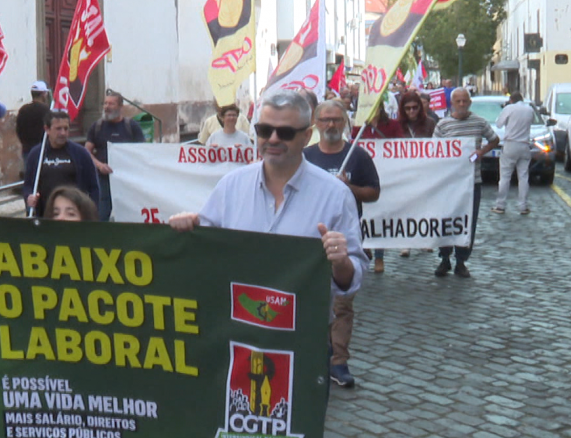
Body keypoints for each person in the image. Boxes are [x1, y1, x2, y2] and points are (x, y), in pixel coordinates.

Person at [167, 90, 366, 389]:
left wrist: (340, 262)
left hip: (303, 339)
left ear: (307, 135)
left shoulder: (335, 195)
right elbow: (203, 249)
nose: (272, 139)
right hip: (234, 335)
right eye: (264, 130)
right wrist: (188, 227)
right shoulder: (231, 187)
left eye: (284, 132)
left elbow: (351, 279)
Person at [304, 99, 381, 272]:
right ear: (316, 123)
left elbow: (374, 193)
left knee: (342, 290)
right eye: (325, 120)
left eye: (337, 120)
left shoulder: (358, 155)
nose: (331, 124)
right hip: (309, 233)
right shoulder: (305, 157)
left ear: (344, 122)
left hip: (345, 234)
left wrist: (348, 187)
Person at [432, 88, 499, 278]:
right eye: (458, 101)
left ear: (469, 103)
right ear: (452, 103)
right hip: (448, 183)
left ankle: (461, 261)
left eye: (465, 101)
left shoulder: (479, 122)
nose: (462, 104)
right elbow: (432, 150)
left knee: (468, 222)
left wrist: (482, 151)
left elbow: (495, 139)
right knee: (445, 220)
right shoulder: (443, 125)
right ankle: (444, 258)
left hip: (472, 182)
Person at [27, 111, 102, 217]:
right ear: (47, 129)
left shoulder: (80, 153)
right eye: (58, 129)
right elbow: (28, 185)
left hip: (74, 215)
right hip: (45, 215)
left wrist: (92, 212)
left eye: (66, 128)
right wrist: (29, 198)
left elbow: (94, 187)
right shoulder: (36, 154)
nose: (63, 133)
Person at [86, 92, 145, 221]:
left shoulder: (132, 127)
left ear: (120, 107)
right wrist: (99, 165)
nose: (107, 107)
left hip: (126, 179)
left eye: (111, 103)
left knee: (128, 215)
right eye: (105, 103)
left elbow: (142, 151)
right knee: (101, 214)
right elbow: (87, 152)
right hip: (103, 179)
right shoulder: (97, 127)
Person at [492, 93, 535, 215]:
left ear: (511, 100)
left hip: (511, 144)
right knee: (523, 177)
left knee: (505, 176)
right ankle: (523, 206)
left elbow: (499, 123)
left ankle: (500, 205)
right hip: (524, 144)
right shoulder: (529, 109)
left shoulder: (509, 108)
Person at [16, 81, 53, 162]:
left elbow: (18, 130)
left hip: (27, 149)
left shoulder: (23, 110)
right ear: (43, 94)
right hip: (43, 149)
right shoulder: (46, 110)